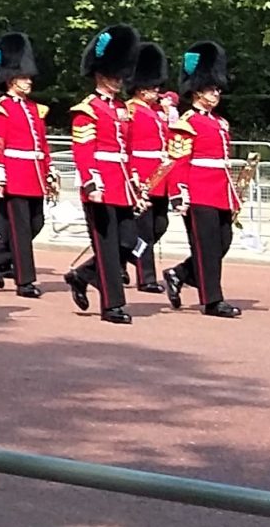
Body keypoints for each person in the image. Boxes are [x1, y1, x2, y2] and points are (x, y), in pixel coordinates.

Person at [152, 42, 240, 316]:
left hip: (220, 190)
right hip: (199, 191)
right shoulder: (185, 124)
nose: (216, 94)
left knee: (223, 241)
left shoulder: (220, 123)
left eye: (217, 89)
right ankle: (212, 300)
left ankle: (179, 274)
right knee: (207, 245)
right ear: (197, 91)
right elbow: (178, 162)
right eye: (211, 89)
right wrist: (179, 193)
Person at [65, 24, 139, 324]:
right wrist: (91, 182)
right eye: (113, 75)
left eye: (121, 75)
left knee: (128, 241)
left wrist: (135, 184)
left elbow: (128, 149)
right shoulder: (88, 109)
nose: (119, 81)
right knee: (107, 246)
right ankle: (111, 306)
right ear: (100, 75)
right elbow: (84, 150)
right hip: (101, 184)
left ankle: (82, 275)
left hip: (121, 183)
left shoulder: (122, 108)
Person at [0, 33, 49, 299]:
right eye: (23, 77)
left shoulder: (35, 110)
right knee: (21, 229)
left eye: (29, 77)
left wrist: (48, 173)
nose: (28, 81)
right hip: (14, 174)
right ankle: (25, 281)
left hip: (34, 174)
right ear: (10, 79)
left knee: (36, 223)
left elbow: (42, 145)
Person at [122, 41, 172, 293]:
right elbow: (127, 145)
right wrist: (131, 176)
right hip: (141, 173)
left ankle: (124, 258)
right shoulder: (129, 110)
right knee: (144, 229)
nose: (157, 90)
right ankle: (146, 277)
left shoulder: (156, 112)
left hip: (160, 175)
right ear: (140, 88)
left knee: (159, 225)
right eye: (153, 87)